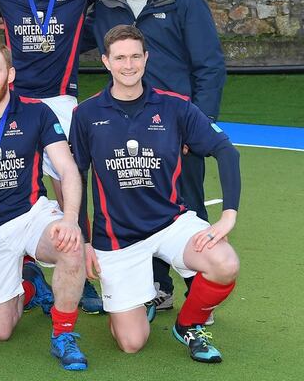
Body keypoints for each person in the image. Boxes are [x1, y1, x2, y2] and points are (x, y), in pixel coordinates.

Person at [0, 0, 206, 313]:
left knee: (69, 185)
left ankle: (83, 270)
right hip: (15, 101)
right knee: (10, 183)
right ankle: (26, 272)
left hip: (61, 101)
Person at [70, 25, 241, 363]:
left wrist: (228, 215)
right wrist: (85, 239)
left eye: (136, 56)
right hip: (117, 238)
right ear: (106, 61)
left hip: (170, 223)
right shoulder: (86, 114)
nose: (129, 65)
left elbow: (226, 151)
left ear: (146, 59)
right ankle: (140, 293)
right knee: (132, 342)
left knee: (225, 262)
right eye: (120, 57)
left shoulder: (176, 107)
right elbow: (76, 175)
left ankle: (188, 324)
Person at [85, 0, 226, 311]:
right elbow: (67, 32)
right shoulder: (106, 5)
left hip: (178, 125)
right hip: (126, 123)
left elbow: (210, 66)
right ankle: (156, 287)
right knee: (138, 200)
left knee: (190, 205)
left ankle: (199, 297)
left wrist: (200, 124)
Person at [0, 41, 88, 371]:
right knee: (0, 331)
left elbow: (67, 169)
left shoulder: (37, 111)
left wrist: (70, 219)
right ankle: (30, 282)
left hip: (31, 215)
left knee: (70, 245)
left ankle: (63, 334)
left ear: (10, 74)